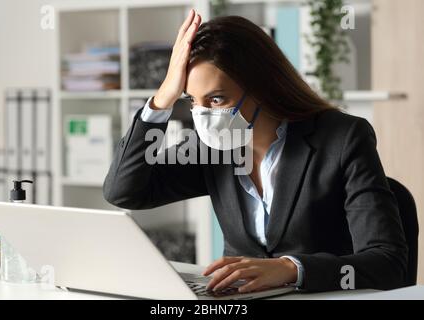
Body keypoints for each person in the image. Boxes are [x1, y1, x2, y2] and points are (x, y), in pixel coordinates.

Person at [103, 9, 408, 293]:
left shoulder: (342, 138)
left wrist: (291, 269)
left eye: (217, 99)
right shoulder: (212, 147)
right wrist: (162, 100)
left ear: (263, 88)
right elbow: (124, 191)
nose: (202, 115)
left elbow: (387, 264)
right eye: (192, 100)